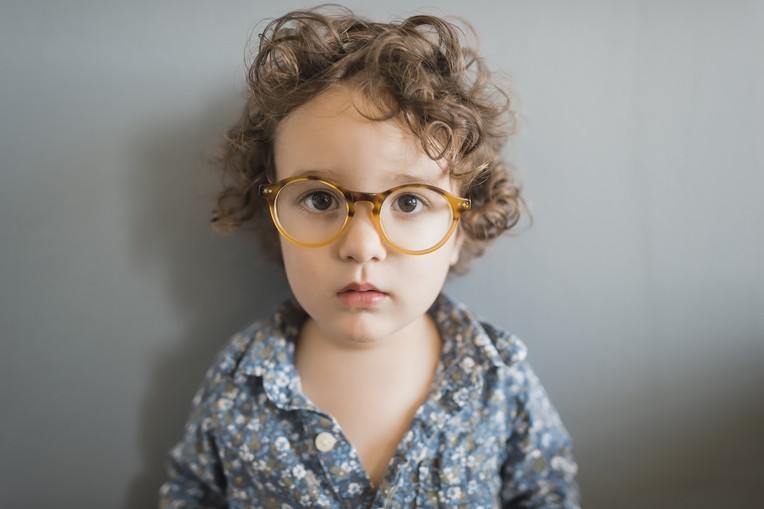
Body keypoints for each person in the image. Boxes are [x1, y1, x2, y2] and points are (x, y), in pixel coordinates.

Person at [158, 4, 581, 508]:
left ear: (460, 228)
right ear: (272, 211)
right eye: (319, 199)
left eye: (409, 202)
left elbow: (546, 494)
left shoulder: (498, 378)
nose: (361, 245)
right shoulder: (239, 384)